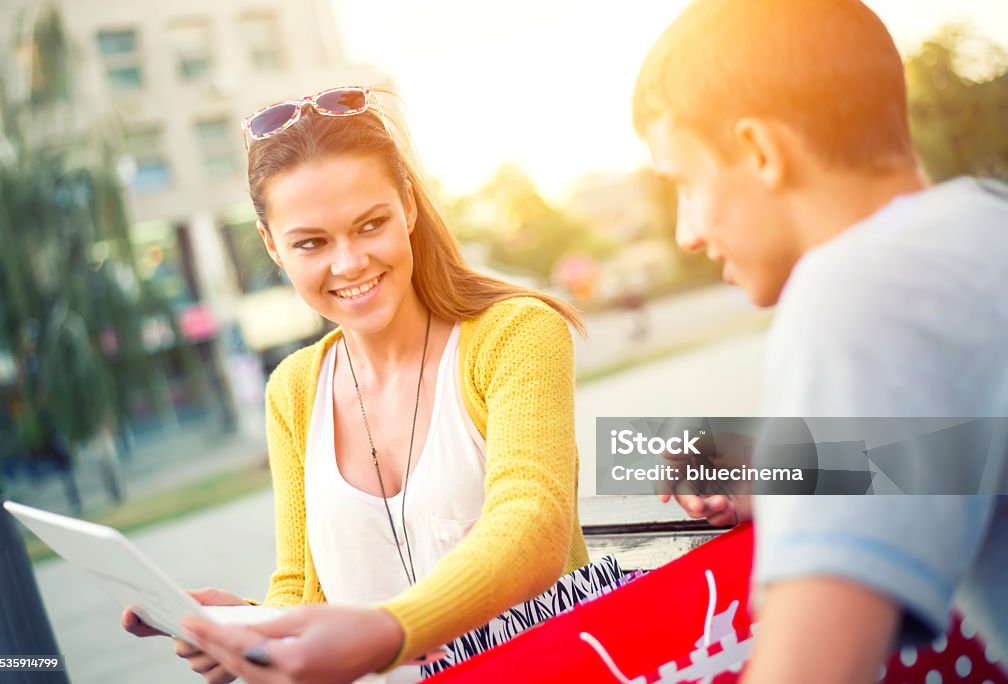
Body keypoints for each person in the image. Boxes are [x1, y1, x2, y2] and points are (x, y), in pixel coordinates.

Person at [123, 86, 590, 683]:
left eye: (370, 225)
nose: (349, 264)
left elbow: (534, 521)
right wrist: (251, 627)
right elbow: (300, 587)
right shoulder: (293, 390)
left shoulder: (513, 334)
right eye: (311, 242)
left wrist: (388, 633)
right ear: (273, 246)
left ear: (410, 209)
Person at [631, 0, 1008, 682]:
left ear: (760, 152)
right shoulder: (982, 225)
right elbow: (970, 461)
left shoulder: (855, 283)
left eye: (683, 183)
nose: (686, 231)